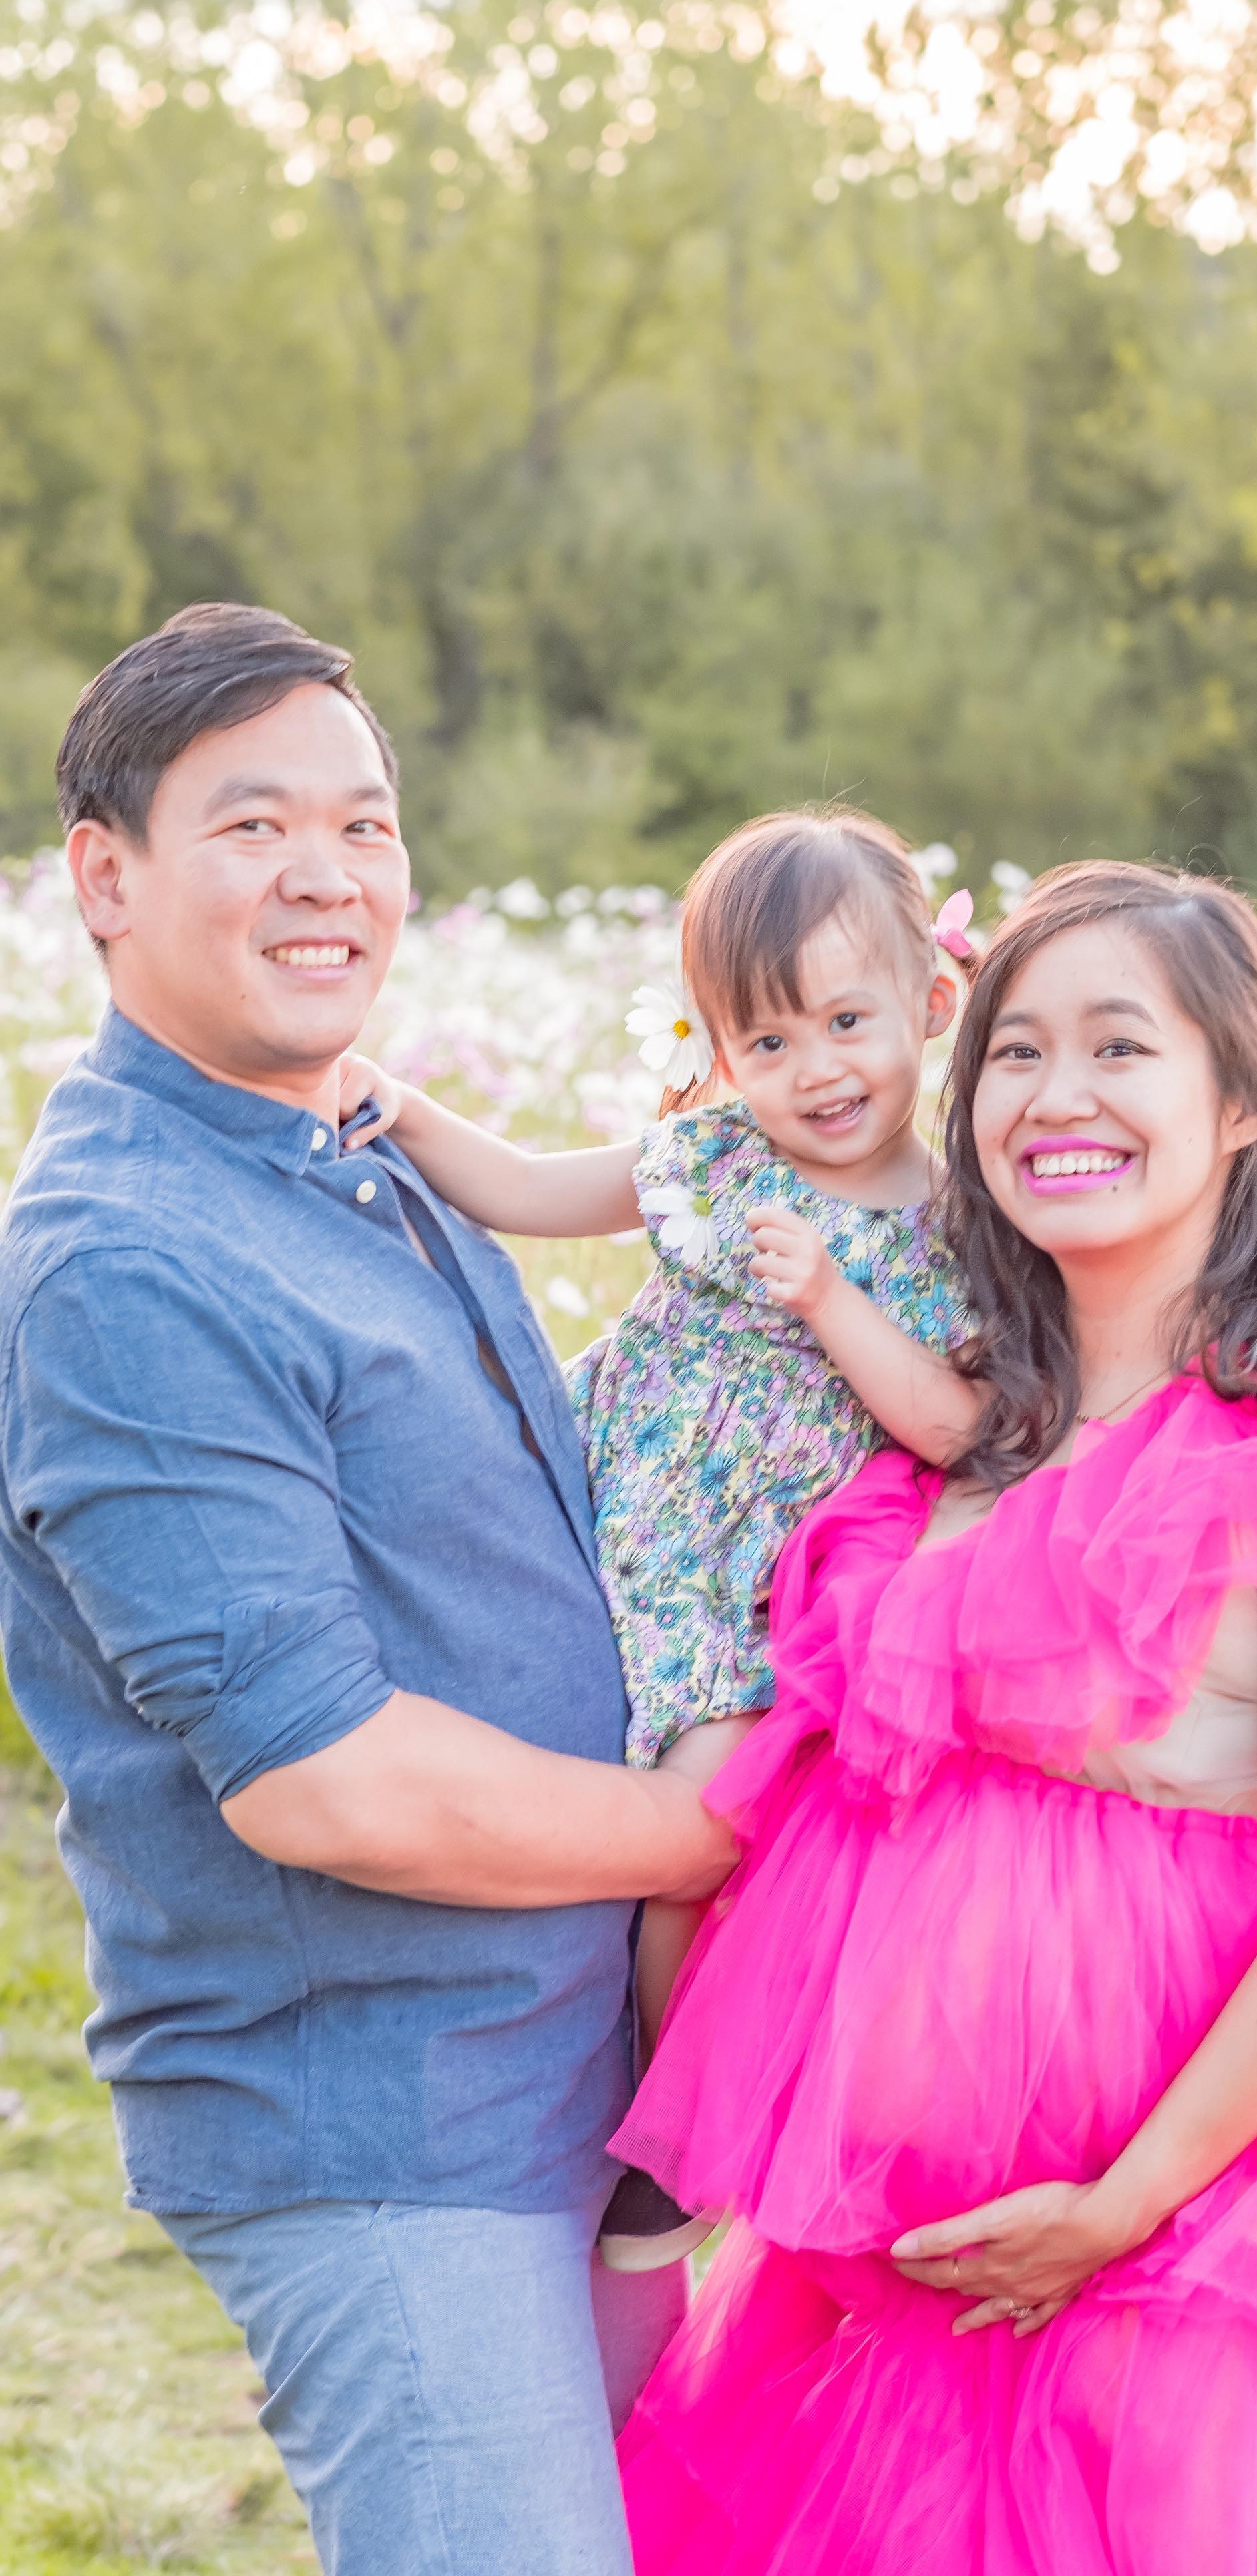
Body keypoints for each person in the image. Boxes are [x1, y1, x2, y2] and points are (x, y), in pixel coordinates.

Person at [608, 861, 1257, 2576]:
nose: (1053, 1095)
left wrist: (1116, 2205)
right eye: (1014, 1051)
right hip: (907, 2266)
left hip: (1202, 2245)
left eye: (1118, 1046)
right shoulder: (948, 1421)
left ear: (1238, 1102)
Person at [0, 602, 734, 2576]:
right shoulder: (126, 1257)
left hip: (565, 2092)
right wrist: (719, 1828)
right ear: (106, 876)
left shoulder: (359, 1158)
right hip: (395, 2129)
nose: (327, 874)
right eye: (254, 826)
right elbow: (326, 1777)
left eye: (364, 824)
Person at [343, 809, 978, 2267]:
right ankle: (426, 2063)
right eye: (767, 1041)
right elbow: (529, 1189)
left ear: (931, 1003)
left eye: (846, 1021)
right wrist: (401, 1109)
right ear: (720, 1050)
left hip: (743, 1588)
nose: (815, 1070)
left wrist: (829, 1299)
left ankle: (665, 2134)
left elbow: (953, 1426)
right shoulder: (714, 1160)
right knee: (458, 1721)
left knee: (695, 1833)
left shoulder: (959, 1232)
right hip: (591, 1508)